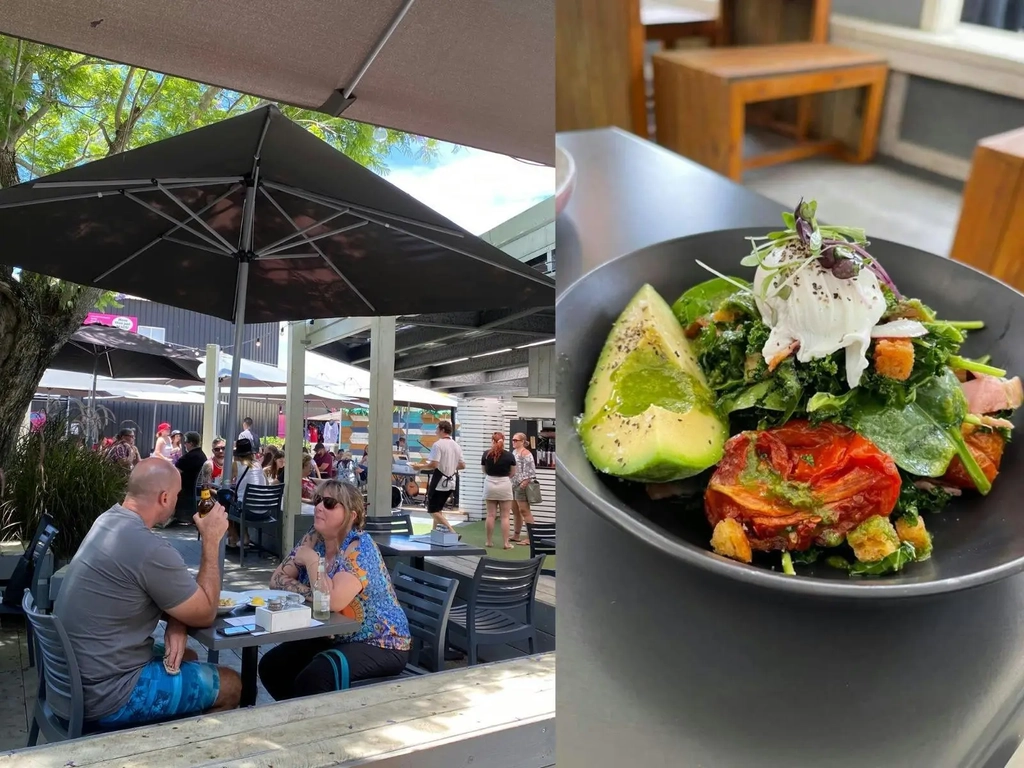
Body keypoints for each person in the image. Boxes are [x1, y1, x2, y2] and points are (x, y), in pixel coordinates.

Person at [53, 459, 241, 725]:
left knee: (187, 657)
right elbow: (206, 611)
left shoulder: (108, 520)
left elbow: (155, 594)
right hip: (107, 695)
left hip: (68, 685)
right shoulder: (148, 548)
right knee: (231, 684)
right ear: (165, 498)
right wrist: (211, 540)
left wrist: (177, 623)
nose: (177, 501)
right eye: (176, 495)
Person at [259, 480, 411, 699]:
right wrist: (314, 593)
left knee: (314, 678)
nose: (319, 507)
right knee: (272, 667)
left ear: (352, 515)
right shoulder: (313, 537)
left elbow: (333, 601)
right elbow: (275, 579)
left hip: (381, 643)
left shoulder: (360, 547)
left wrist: (312, 563)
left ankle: (312, 724)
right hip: (334, 637)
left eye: (329, 503)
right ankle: (299, 720)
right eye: (318, 501)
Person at [415, 420, 464, 534]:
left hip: (439, 481)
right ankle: (434, 533)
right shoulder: (456, 445)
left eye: (437, 429)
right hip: (451, 481)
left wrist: (420, 467)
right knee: (438, 509)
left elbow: (434, 464)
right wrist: (450, 465)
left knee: (432, 510)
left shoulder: (438, 445)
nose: (436, 431)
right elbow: (462, 465)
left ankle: (452, 531)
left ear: (442, 430)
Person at [225, 438, 267, 549]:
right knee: (243, 501)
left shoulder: (236, 465)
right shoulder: (258, 465)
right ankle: (245, 537)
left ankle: (234, 537)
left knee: (226, 504)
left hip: (248, 511)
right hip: (265, 511)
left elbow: (224, 482)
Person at [481, 432, 516, 550]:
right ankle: (506, 543)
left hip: (489, 483)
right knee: (505, 516)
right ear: (503, 441)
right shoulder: (509, 455)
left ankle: (489, 541)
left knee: (490, 515)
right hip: (504, 484)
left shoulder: (486, 454)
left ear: (492, 441)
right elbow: (513, 472)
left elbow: (484, 470)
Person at [510, 432, 538, 545]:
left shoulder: (526, 453)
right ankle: (516, 535)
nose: (513, 442)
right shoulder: (514, 452)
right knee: (515, 510)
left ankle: (531, 537)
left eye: (516, 440)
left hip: (521, 485)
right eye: (513, 440)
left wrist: (525, 482)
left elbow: (531, 471)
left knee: (524, 510)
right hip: (513, 484)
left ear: (522, 441)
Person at [174, 431, 207, 524]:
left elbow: (175, 472)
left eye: (185, 442)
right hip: (196, 487)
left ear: (191, 443)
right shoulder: (202, 455)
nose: (184, 445)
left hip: (186, 487)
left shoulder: (189, 457)